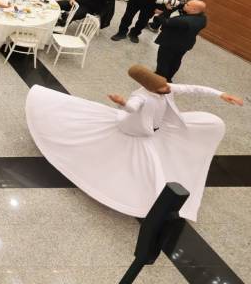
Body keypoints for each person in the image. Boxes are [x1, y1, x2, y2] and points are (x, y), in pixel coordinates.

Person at [25, 65, 242, 221]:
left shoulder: (165, 87)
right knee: (146, 165)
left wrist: (221, 94)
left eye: (167, 86)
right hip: (137, 131)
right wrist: (122, 103)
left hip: (156, 130)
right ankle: (155, 201)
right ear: (151, 88)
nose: (168, 89)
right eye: (164, 89)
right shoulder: (140, 96)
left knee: (207, 126)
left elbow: (193, 88)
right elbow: (132, 108)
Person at [155, 0, 208, 82]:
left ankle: (160, 78)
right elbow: (186, 17)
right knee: (176, 60)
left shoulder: (182, 21)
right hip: (185, 44)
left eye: (187, 4)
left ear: (194, 9)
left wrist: (168, 10)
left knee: (163, 61)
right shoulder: (203, 19)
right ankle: (168, 78)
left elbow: (162, 20)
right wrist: (180, 8)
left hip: (170, 43)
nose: (184, 4)